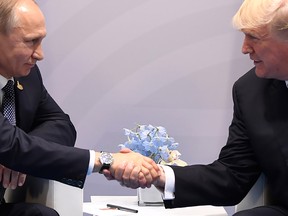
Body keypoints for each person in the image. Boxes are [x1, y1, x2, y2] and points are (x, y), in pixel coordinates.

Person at [106, 0, 288, 215]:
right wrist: (158, 175)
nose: (244, 48)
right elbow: (233, 175)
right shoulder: (251, 92)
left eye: (254, 37)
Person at [0, 0, 160, 215]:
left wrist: (20, 157)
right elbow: (11, 145)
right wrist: (106, 161)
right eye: (31, 41)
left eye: (41, 41)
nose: (40, 54)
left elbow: (60, 124)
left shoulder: (26, 77)